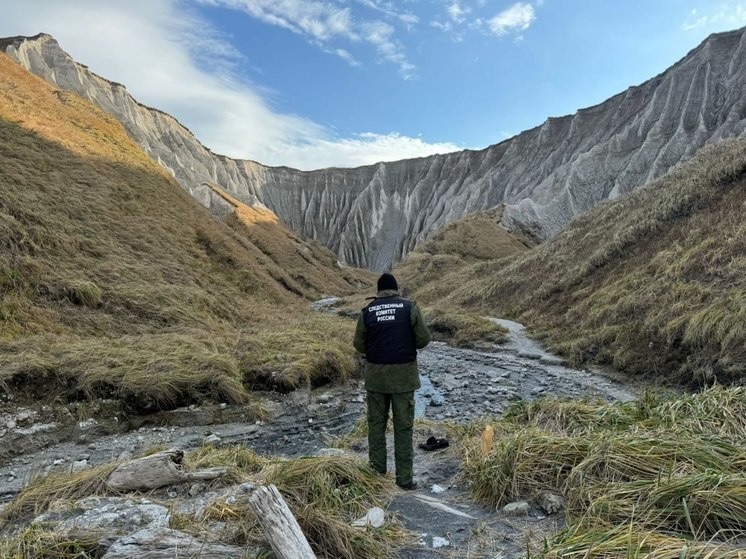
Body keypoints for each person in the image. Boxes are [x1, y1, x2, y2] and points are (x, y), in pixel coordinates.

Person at [353, 272, 430, 490]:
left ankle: (377, 473)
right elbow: (424, 339)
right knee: (403, 427)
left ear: (378, 291)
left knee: (376, 425)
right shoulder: (409, 307)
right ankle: (404, 479)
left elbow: (358, 344)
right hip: (403, 379)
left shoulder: (367, 312)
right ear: (396, 289)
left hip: (376, 378)